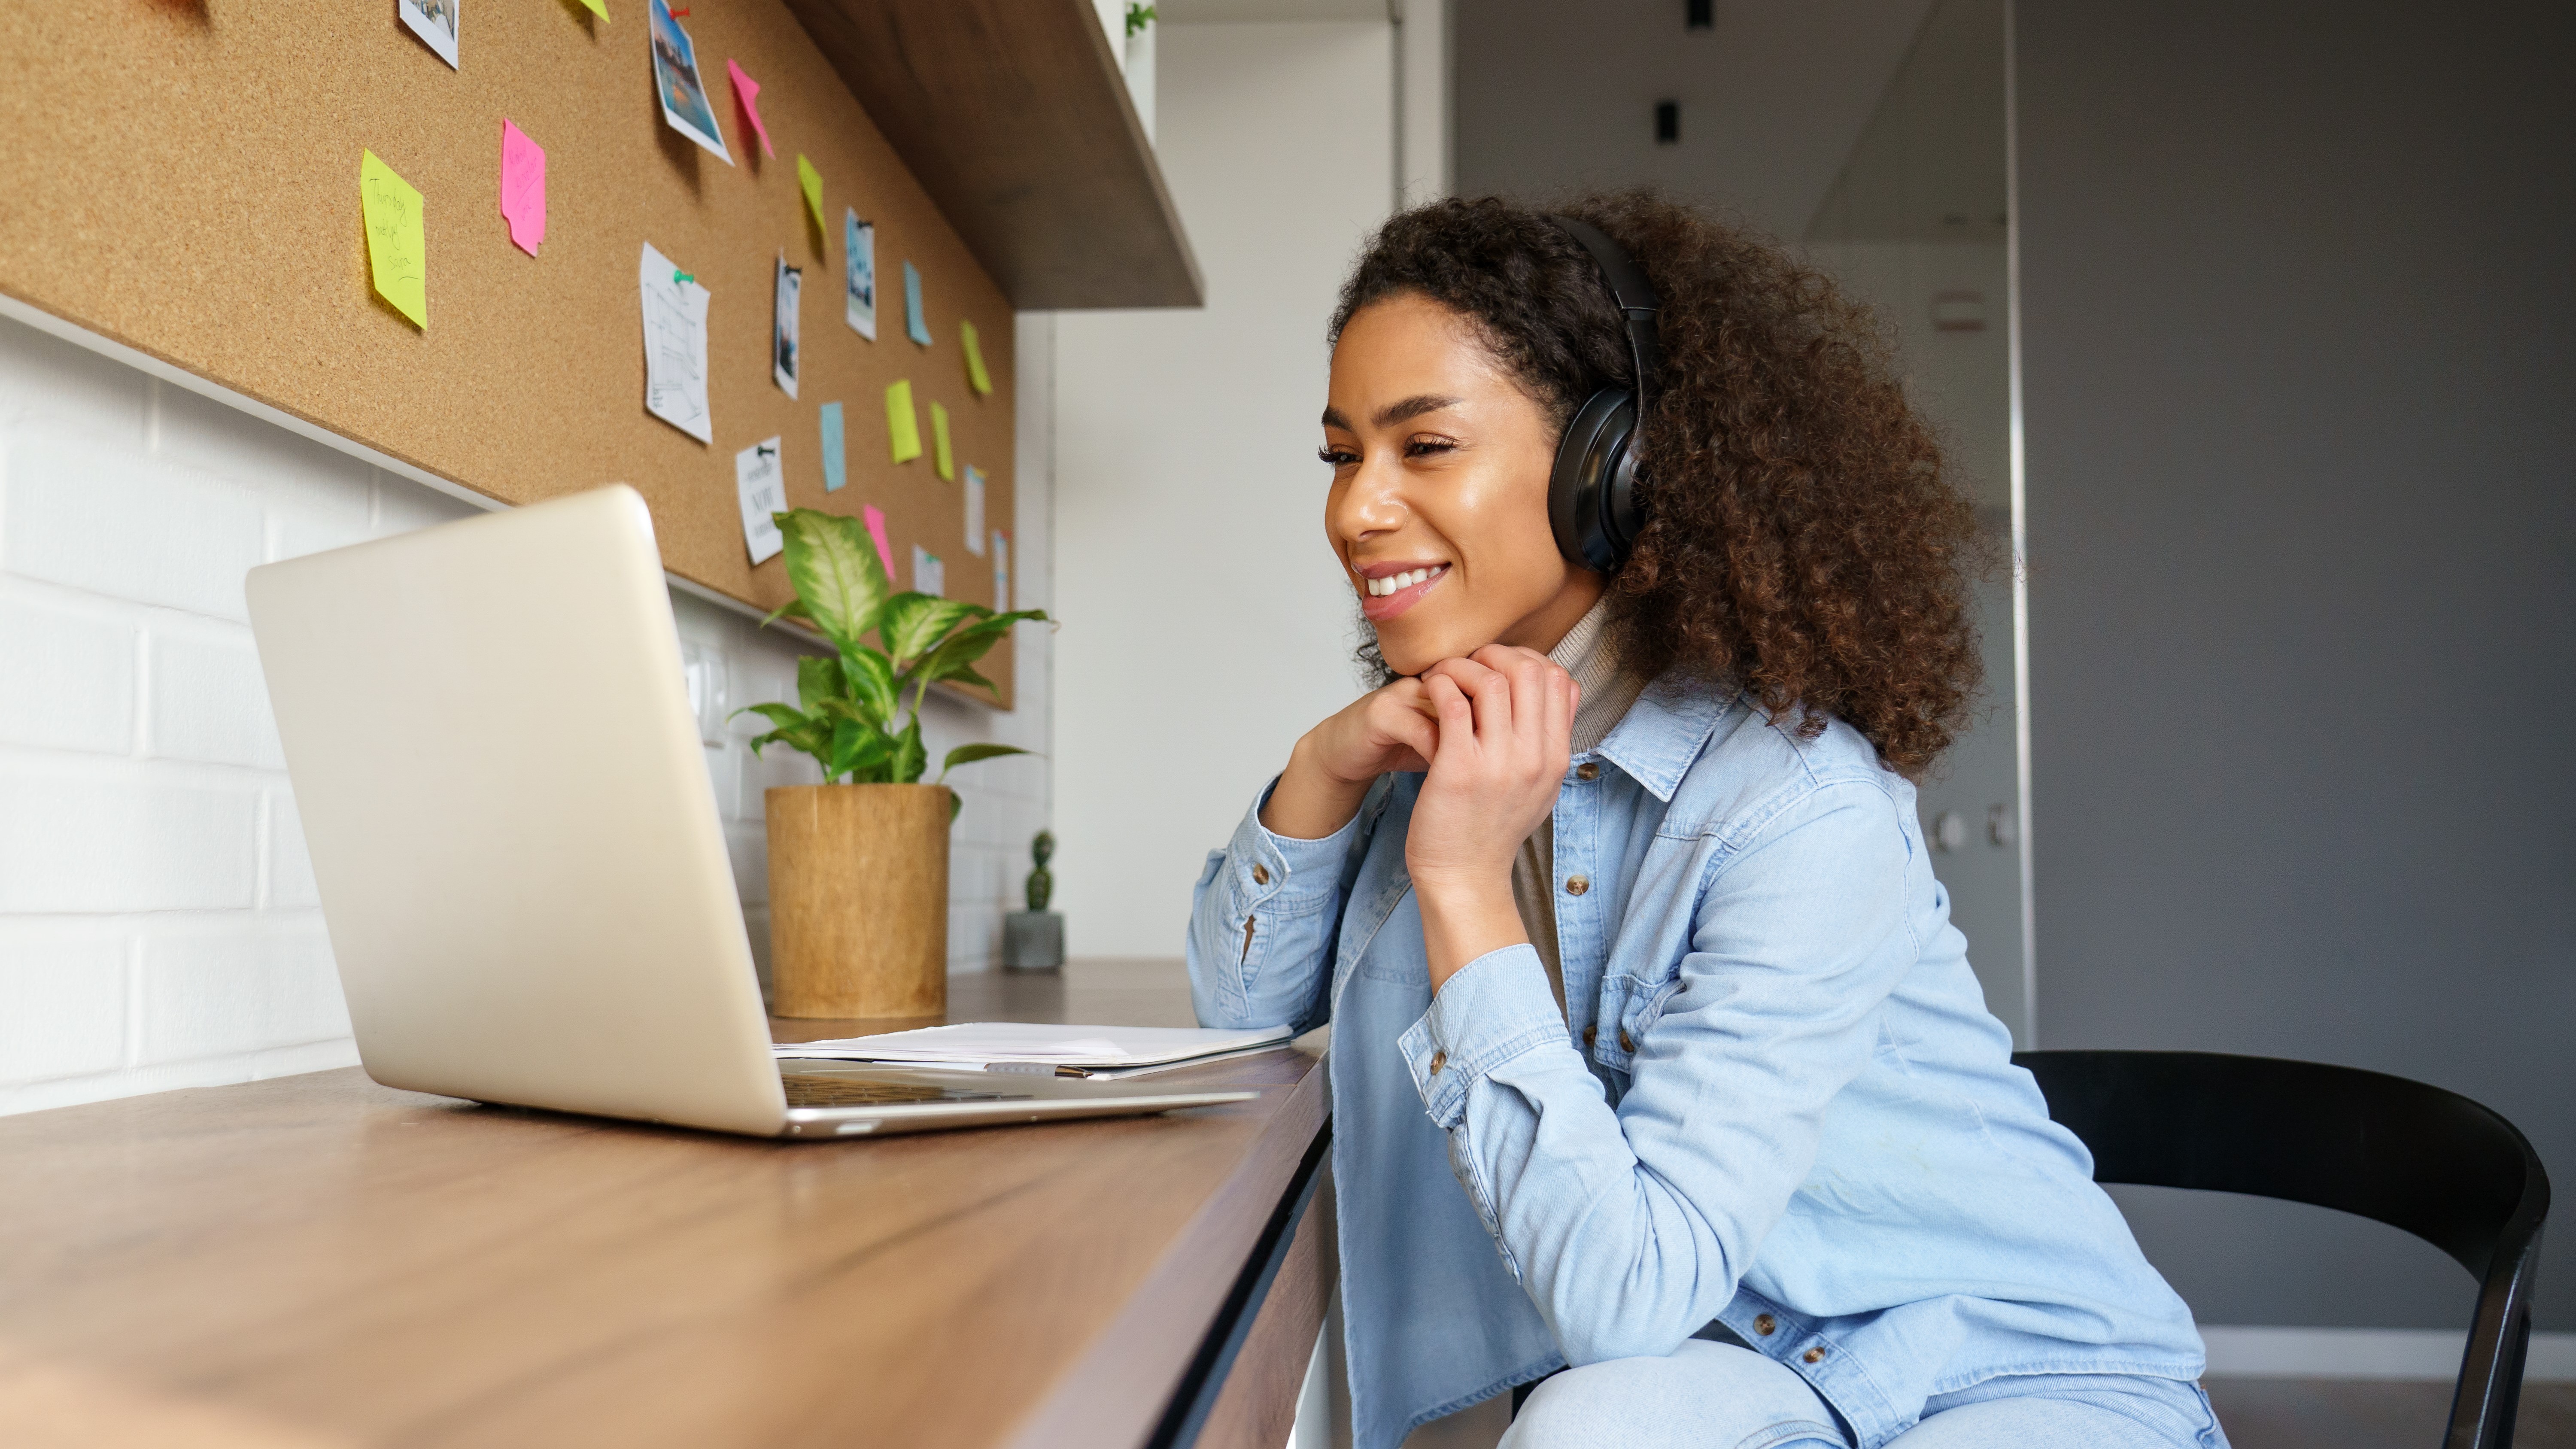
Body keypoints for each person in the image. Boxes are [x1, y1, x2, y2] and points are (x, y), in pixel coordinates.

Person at [1185, 193, 2226, 1449]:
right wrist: (1323, 772)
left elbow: (1624, 1293)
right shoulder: (1454, 747)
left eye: (1427, 447)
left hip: (2005, 1374)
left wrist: (1459, 886)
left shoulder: (1797, 810)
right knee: (1586, 1429)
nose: (1357, 511)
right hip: (1761, 1367)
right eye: (1343, 454)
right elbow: (1240, 1022)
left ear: (1610, 467)